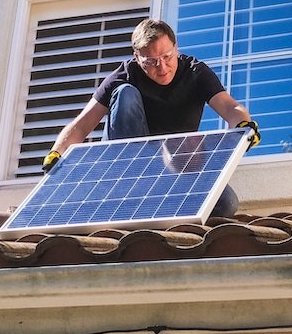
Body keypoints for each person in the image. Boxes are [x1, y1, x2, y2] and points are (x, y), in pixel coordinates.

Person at [42, 18, 259, 217]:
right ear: (137, 58)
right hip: (127, 167)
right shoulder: (123, 76)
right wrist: (57, 153)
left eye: (167, 57)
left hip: (174, 169)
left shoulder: (195, 73)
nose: (162, 67)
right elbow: (81, 125)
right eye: (152, 62)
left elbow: (230, 107)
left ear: (176, 48)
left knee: (225, 203)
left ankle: (163, 208)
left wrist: (243, 126)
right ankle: (125, 187)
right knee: (125, 93)